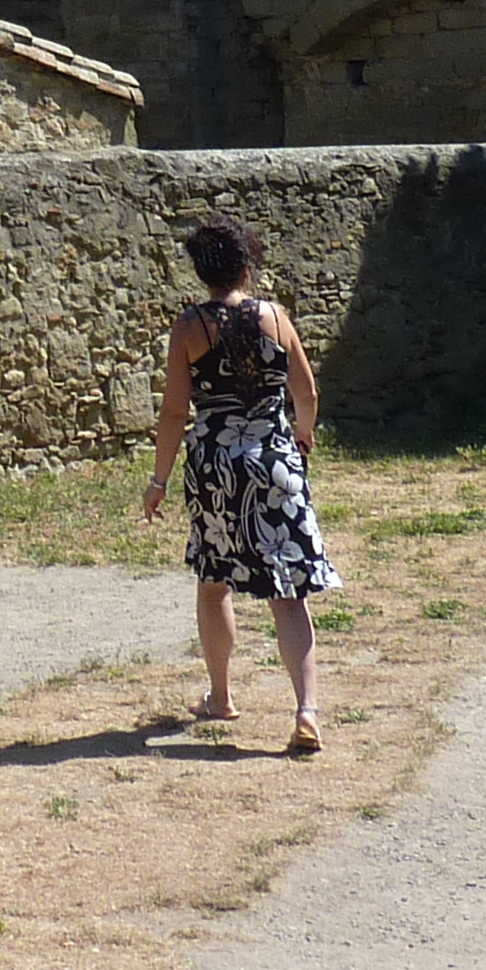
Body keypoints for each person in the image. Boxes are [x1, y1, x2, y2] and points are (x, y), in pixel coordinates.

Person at [142, 213, 338, 754]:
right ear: (247, 267)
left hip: (216, 468)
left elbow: (174, 413)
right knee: (288, 592)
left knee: (213, 583)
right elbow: (307, 393)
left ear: (204, 273)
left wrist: (158, 480)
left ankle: (221, 695)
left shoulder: (189, 327)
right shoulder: (277, 317)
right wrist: (300, 435)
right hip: (274, 460)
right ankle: (306, 709)